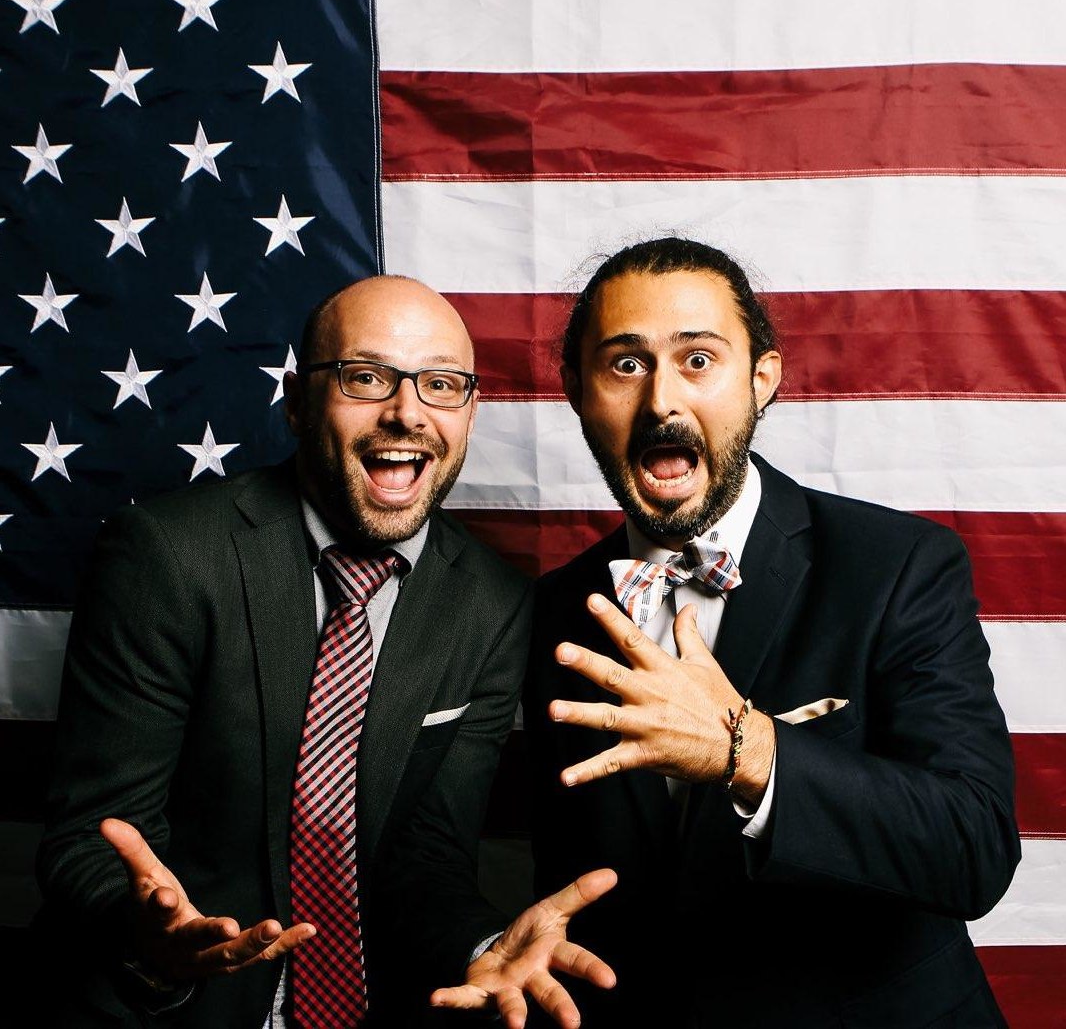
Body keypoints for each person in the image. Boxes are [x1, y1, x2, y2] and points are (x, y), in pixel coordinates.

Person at [35, 275, 612, 1028]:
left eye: (440, 384)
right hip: (173, 1006)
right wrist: (151, 939)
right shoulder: (167, 558)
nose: (407, 413)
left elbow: (427, 857)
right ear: (299, 400)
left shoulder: (495, 606)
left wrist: (487, 939)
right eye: (366, 378)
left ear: (469, 411)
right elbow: (94, 834)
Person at [514, 238, 1020, 1026]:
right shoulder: (551, 612)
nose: (661, 403)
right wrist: (499, 930)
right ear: (576, 391)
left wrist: (743, 750)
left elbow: (973, 847)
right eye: (624, 365)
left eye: (699, 360)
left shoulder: (897, 566)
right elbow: (514, 843)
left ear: (762, 381)